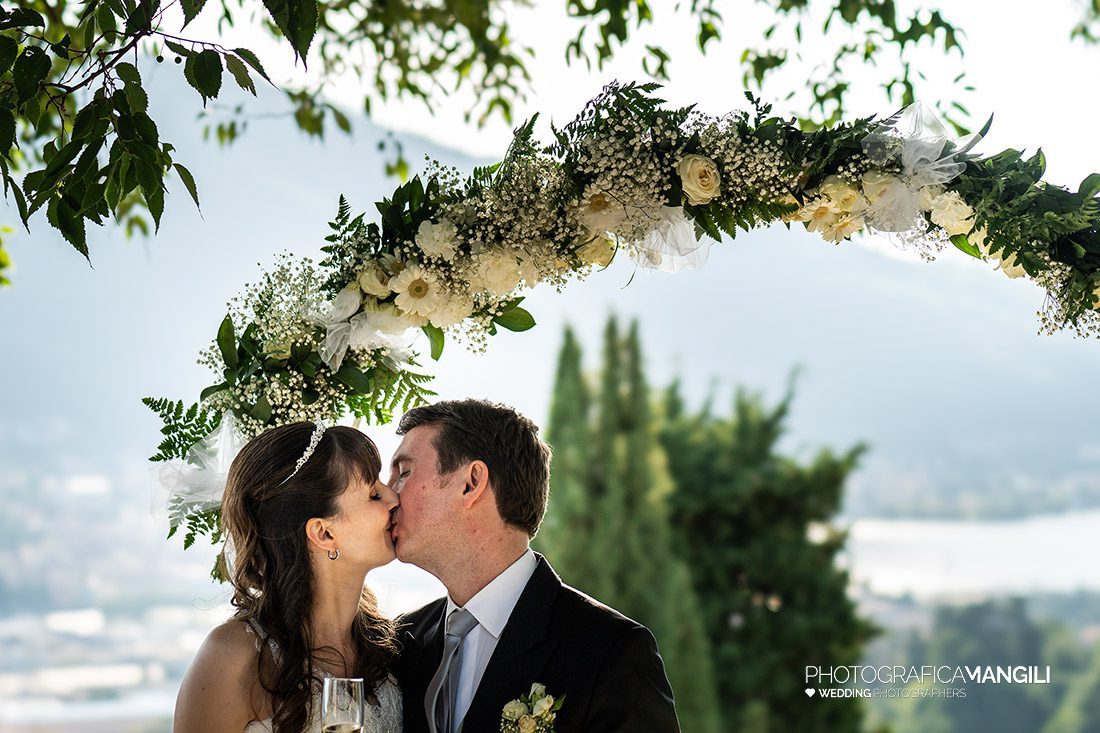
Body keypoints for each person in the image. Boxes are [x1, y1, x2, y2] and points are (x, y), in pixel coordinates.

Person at [389, 399, 680, 733]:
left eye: (404, 472)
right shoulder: (401, 642)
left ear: (471, 483)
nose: (388, 494)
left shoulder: (610, 651)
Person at [173, 422, 404, 733]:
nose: (394, 498)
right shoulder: (233, 656)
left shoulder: (391, 648)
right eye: (374, 494)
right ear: (324, 533)